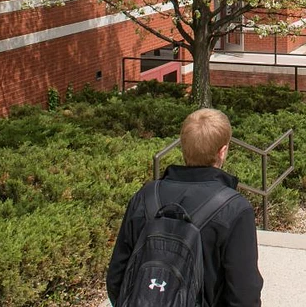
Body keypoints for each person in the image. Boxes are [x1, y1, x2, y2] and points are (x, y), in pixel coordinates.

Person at [107, 108, 262, 307]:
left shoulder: (145, 196)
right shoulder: (235, 209)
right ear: (223, 151)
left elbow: (116, 276)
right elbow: (243, 294)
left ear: (183, 147)